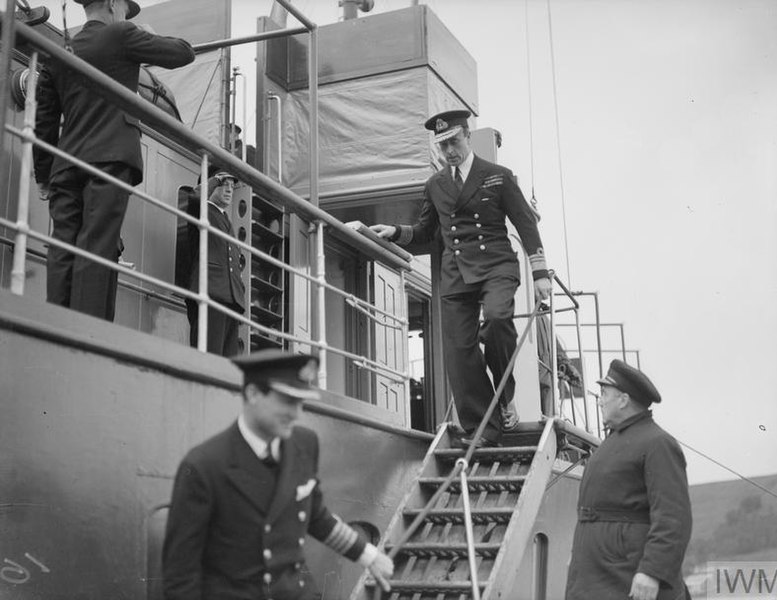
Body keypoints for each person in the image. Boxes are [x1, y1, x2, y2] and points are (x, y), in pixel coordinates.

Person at [371, 109, 551, 446]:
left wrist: (540, 274)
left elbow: (527, 224)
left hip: (497, 266)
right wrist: (395, 231)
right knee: (458, 350)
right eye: (443, 146)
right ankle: (483, 429)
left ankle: (503, 394)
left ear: (467, 136)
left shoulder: (498, 176)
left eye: (454, 142)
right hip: (457, 275)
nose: (449, 151)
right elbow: (427, 230)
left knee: (498, 320)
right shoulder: (435, 185)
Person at [162, 350, 394, 599]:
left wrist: (369, 556)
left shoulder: (305, 444)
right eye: (287, 401)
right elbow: (180, 577)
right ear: (252, 394)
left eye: (300, 403)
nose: (297, 414)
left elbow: (317, 517)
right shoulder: (204, 465)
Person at [33, 0, 195, 321]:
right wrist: (146, 33)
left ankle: (56, 324)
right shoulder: (121, 35)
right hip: (110, 158)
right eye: (124, 8)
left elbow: (45, 122)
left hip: (65, 164)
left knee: (63, 245)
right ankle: (87, 330)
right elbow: (183, 52)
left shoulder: (61, 52)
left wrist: (43, 175)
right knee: (97, 244)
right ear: (111, 3)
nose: (125, 15)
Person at [565, 359, 692, 600]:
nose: (599, 400)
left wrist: (653, 572)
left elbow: (673, 516)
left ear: (623, 400)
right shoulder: (610, 443)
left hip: (627, 575)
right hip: (595, 575)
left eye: (604, 394)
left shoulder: (658, 443)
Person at [183, 168, 245, 357]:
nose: (229, 190)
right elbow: (194, 197)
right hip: (210, 294)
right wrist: (214, 180)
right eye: (223, 185)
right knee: (208, 357)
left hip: (231, 299)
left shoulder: (225, 219)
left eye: (231, 186)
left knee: (227, 364)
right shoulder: (201, 210)